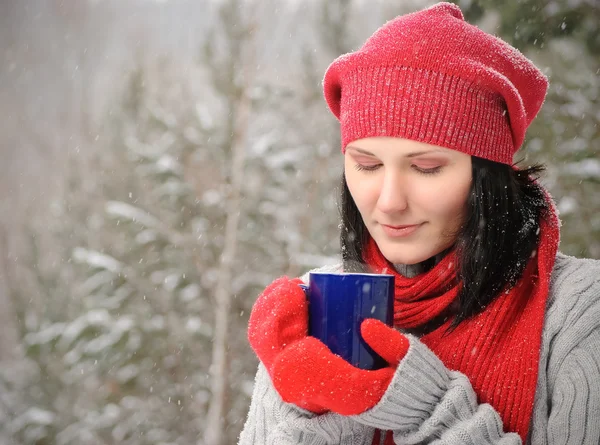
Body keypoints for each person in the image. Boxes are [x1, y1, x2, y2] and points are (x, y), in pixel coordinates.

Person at [238, 2, 600, 444]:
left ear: (487, 177)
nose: (389, 202)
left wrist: (426, 408)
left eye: (427, 168)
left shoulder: (580, 315)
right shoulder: (317, 309)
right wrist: (310, 403)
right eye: (367, 165)